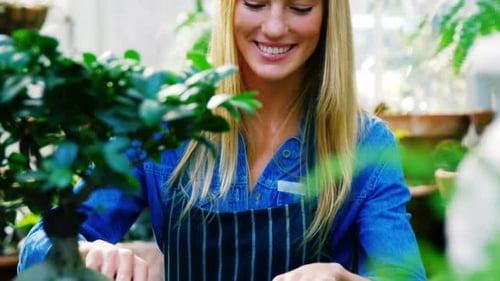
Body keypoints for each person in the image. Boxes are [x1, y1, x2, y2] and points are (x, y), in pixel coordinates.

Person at [18, 0, 428, 280]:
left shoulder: (365, 145)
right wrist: (88, 255)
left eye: (300, 6)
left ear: (327, 16)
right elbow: (37, 248)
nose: (274, 26)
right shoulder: (162, 124)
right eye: (254, 2)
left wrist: (344, 278)